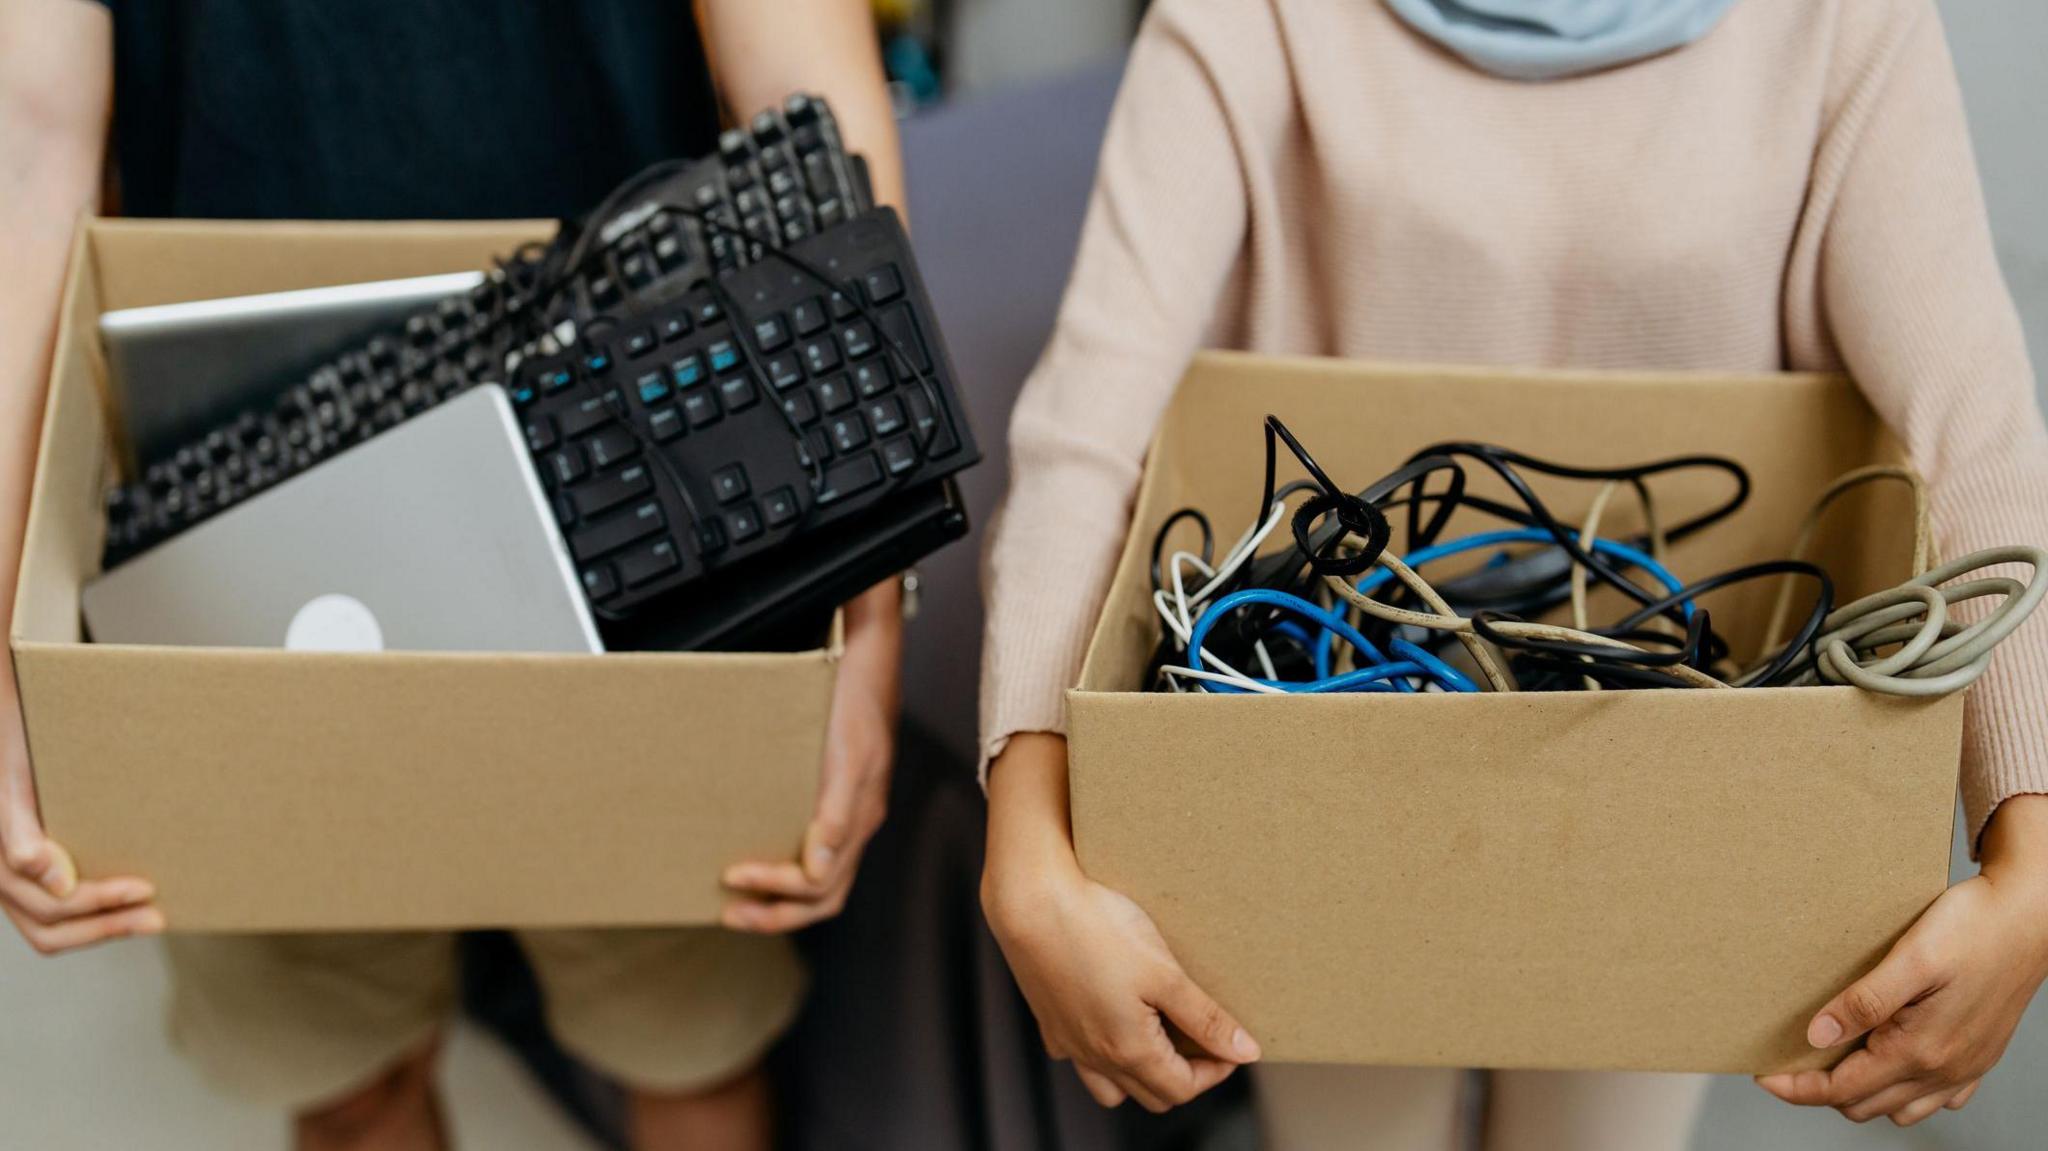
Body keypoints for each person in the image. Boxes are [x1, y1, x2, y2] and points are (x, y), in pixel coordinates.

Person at [977, 0, 2048, 1146]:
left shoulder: (1842, 24)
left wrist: (2030, 847)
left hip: (1680, 784)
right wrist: (1026, 827)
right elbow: (1086, 433)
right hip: (1313, 781)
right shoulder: (1249, 19)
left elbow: (1971, 433)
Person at [0, 2, 906, 1149]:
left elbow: (808, 93)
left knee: (689, 1047)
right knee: (346, 1077)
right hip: (233, 506)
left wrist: (870, 621)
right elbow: (25, 164)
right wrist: (5, 659)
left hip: (649, 456)